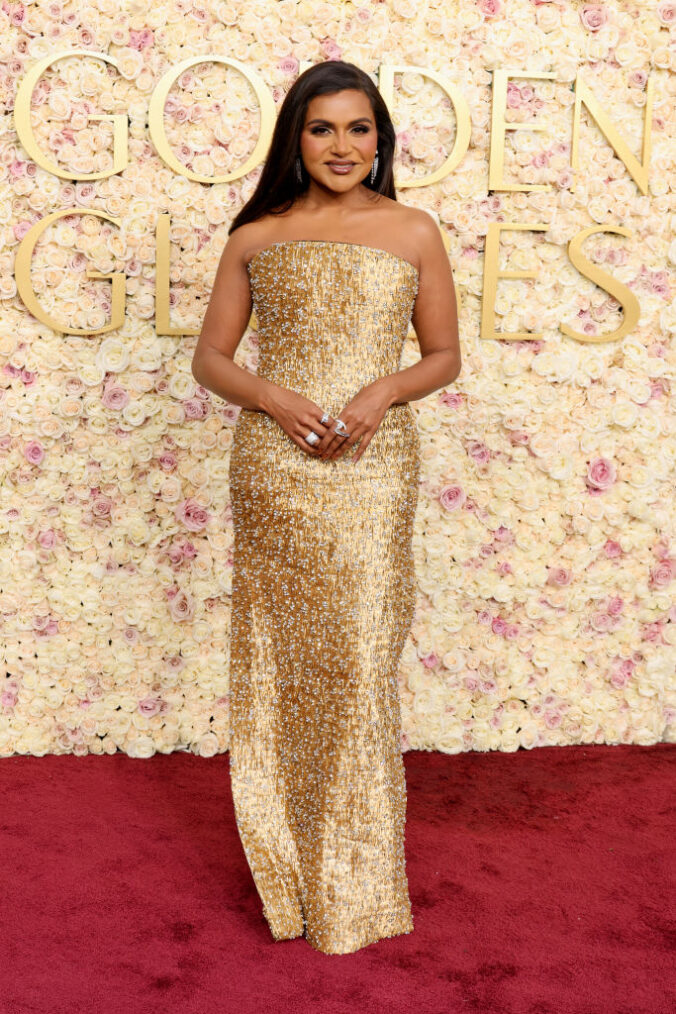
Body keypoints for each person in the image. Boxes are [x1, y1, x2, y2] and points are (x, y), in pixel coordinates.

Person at [191, 60, 460, 955]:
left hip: (375, 470)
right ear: (293, 140)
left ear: (380, 137)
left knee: (357, 663)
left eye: (357, 128)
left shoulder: (415, 229)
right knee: (282, 665)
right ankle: (291, 879)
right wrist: (273, 398)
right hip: (277, 467)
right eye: (321, 129)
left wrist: (384, 390)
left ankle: (359, 884)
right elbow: (212, 361)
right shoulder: (257, 234)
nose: (341, 146)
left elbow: (444, 356)